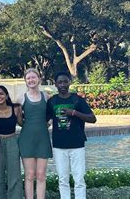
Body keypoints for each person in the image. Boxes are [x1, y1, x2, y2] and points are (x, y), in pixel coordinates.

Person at [46, 71, 97, 199]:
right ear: (55, 84)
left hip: (77, 145)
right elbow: (45, 120)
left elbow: (92, 118)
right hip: (59, 145)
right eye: (59, 82)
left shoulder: (77, 100)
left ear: (70, 82)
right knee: (63, 179)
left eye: (65, 81)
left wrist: (74, 112)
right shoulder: (52, 101)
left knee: (79, 179)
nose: (62, 84)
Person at [18, 68, 53, 199]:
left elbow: (51, 115)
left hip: (42, 139)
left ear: (39, 79)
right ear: (25, 81)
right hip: (27, 139)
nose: (31, 80)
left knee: (41, 175)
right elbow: (18, 119)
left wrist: (48, 123)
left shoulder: (46, 96)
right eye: (28, 78)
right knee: (29, 174)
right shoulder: (21, 98)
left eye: (33, 77)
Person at [0, 85, 23, 199]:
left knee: (14, 174)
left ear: (7, 95)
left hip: (12, 142)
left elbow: (22, 124)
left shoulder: (15, 108)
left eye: (2, 93)